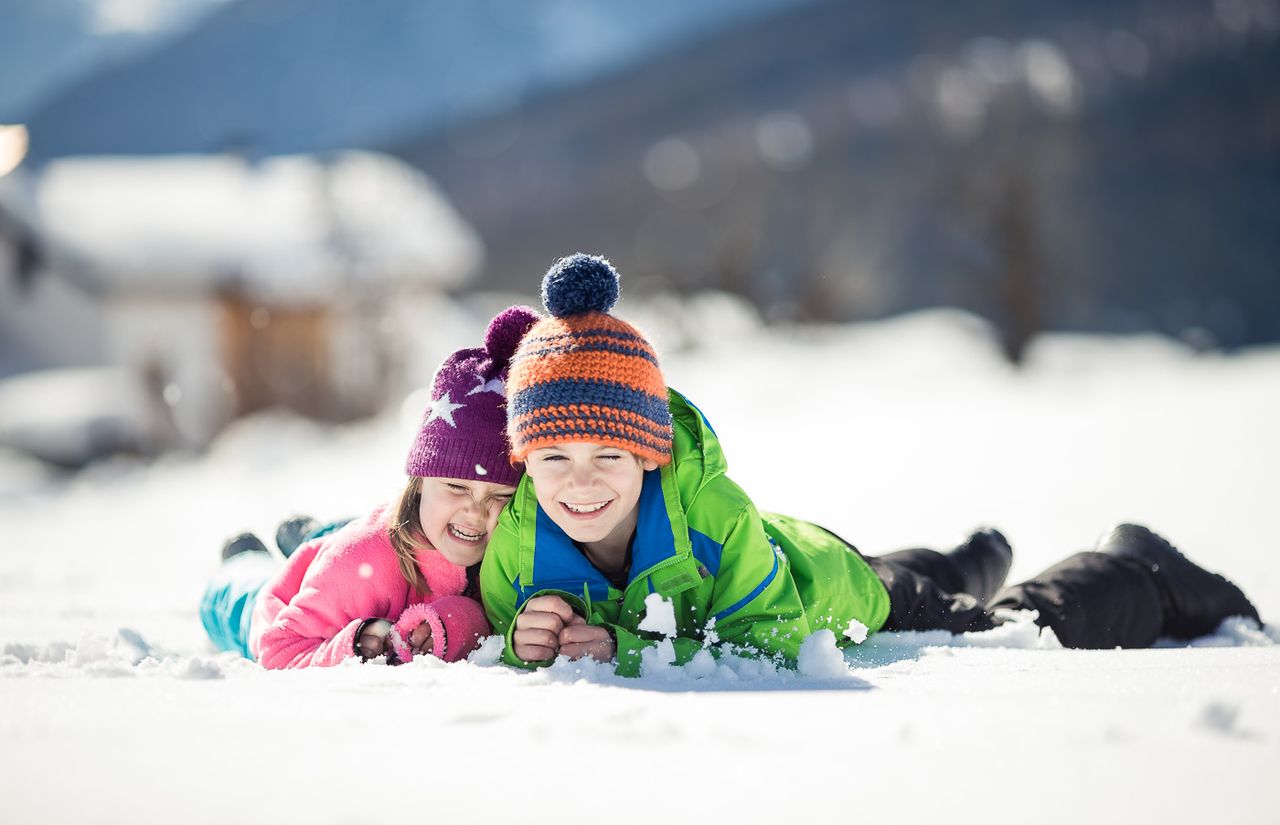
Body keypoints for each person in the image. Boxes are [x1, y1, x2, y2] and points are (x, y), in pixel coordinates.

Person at [479, 254, 1262, 676]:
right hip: (811, 554)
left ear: (650, 453)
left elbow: (772, 641)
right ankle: (968, 556)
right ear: (525, 459)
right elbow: (511, 630)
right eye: (552, 455)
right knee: (911, 574)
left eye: (608, 453)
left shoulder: (713, 516)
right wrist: (529, 641)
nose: (579, 480)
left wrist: (632, 651)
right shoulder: (517, 544)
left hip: (827, 587)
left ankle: (1135, 571)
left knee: (999, 626)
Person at [200, 306, 539, 668]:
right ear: (420, 481)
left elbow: (478, 616)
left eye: (500, 495)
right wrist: (356, 645)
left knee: (340, 546)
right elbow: (279, 648)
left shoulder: (504, 546)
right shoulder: (364, 561)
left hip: (364, 556)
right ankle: (246, 559)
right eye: (456, 486)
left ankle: (312, 535)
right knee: (245, 592)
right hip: (295, 596)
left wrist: (448, 624)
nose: (475, 510)